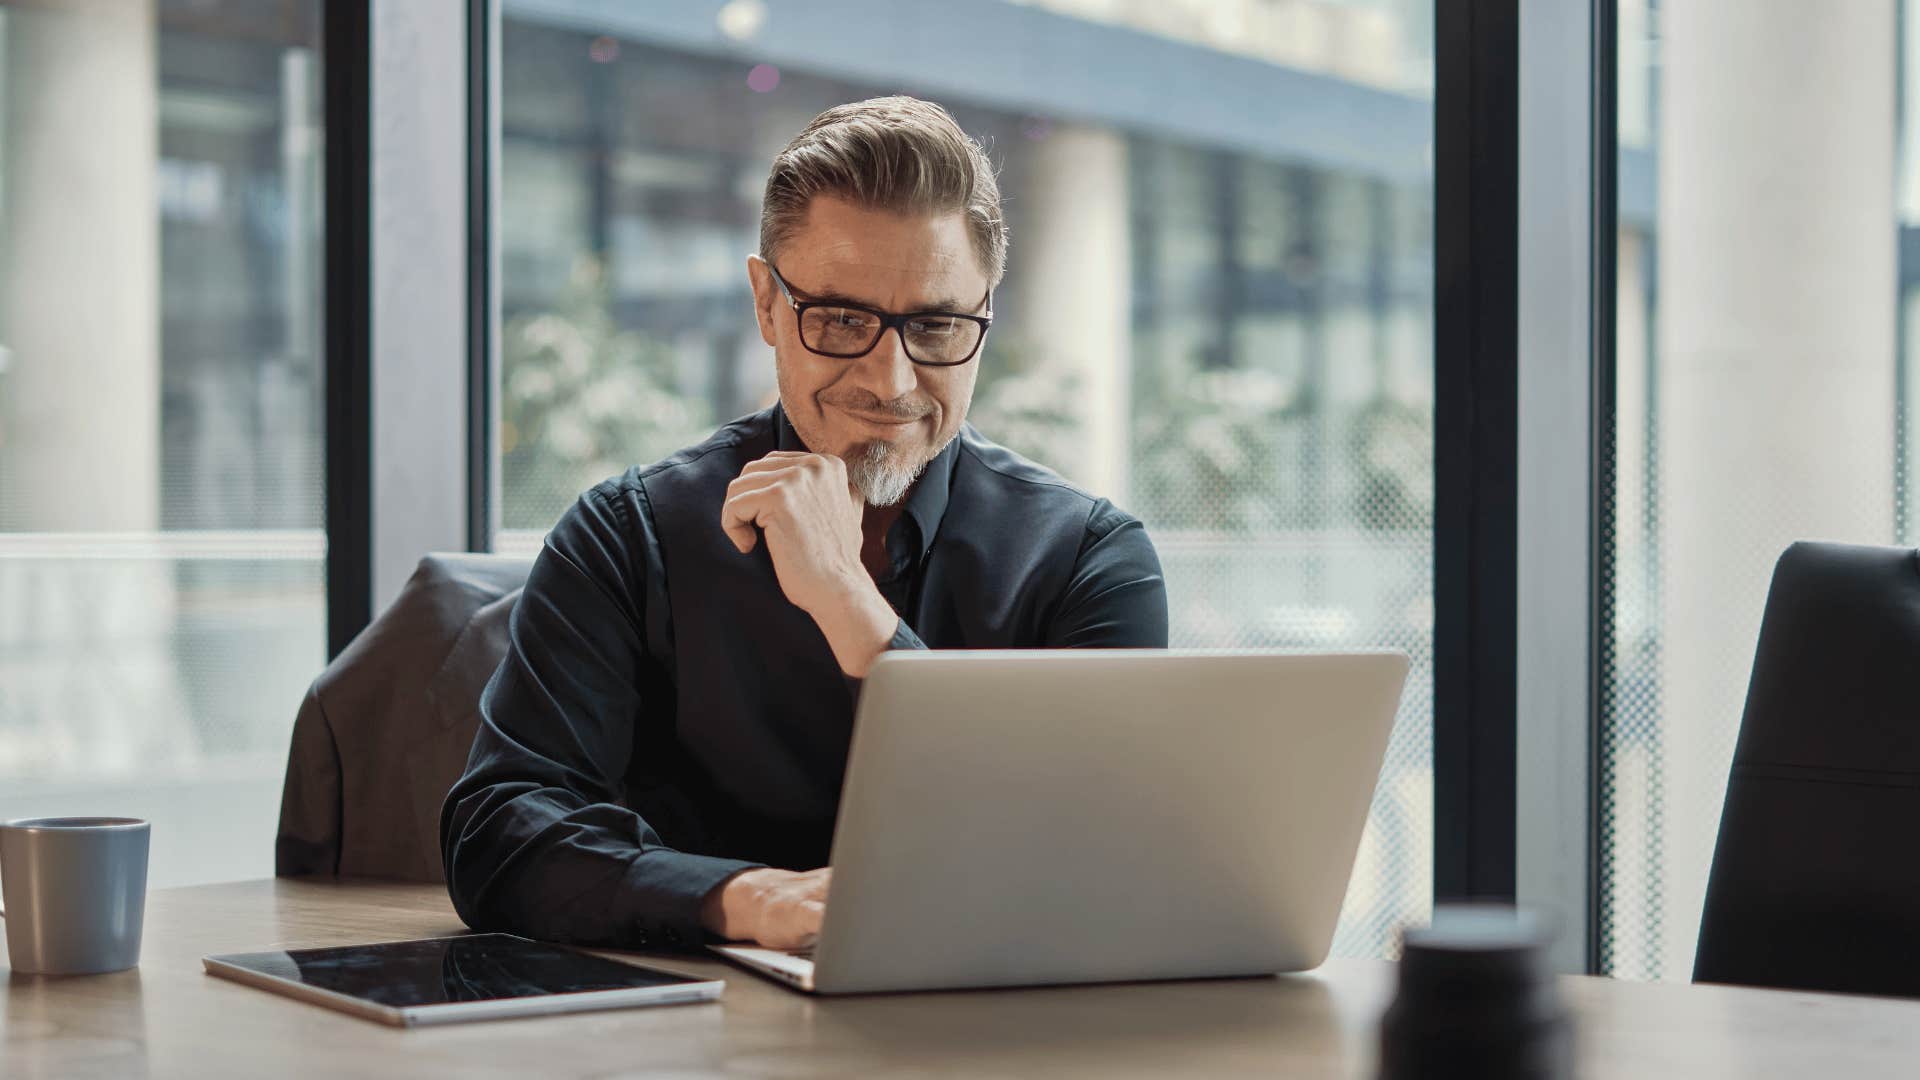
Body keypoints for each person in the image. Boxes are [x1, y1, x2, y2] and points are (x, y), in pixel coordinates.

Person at [441, 96, 1168, 954]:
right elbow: (498, 834)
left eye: (936, 325)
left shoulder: (1092, 561)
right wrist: (745, 901)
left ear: (984, 317)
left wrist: (849, 606)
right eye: (841, 320)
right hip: (692, 1031)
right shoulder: (628, 535)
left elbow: (1098, 859)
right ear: (766, 305)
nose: (891, 379)